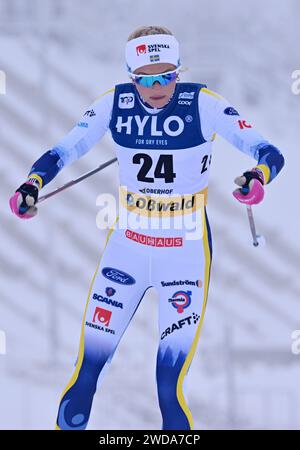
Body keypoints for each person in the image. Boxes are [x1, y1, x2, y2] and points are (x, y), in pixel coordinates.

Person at [9, 25, 284, 430]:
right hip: (128, 246)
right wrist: (32, 184)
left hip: (184, 252)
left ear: (178, 71)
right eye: (146, 80)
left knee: (168, 389)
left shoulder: (202, 104)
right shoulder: (114, 104)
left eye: (167, 76)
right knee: (85, 376)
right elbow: (66, 149)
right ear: (131, 76)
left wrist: (257, 177)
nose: (158, 88)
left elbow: (268, 151)